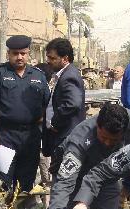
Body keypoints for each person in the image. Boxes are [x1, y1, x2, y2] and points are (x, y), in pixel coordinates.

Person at [47, 104, 130, 209]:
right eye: (103, 137)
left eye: (113, 140)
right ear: (97, 125)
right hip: (76, 178)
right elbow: (64, 183)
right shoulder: (79, 140)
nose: (107, 143)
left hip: (107, 177)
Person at [0, 35, 50, 191]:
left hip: (31, 135)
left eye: (23, 53)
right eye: (15, 53)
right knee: (2, 183)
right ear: (8, 54)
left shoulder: (38, 75)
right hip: (5, 135)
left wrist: (39, 119)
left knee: (26, 182)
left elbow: (48, 104)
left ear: (28, 53)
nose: (19, 57)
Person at [42, 38, 85, 174]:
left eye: (52, 58)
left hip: (66, 137)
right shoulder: (63, 75)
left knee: (63, 180)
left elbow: (72, 104)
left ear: (65, 58)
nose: (48, 61)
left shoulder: (69, 76)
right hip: (61, 137)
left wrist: (55, 123)